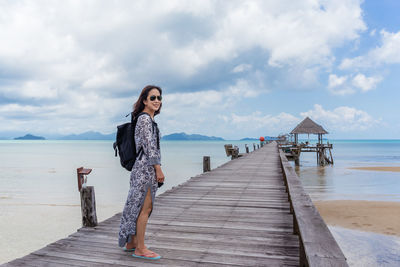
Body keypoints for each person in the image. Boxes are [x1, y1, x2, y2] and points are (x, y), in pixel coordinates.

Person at [118, 85, 165, 260]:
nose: (157, 101)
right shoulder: (145, 120)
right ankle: (141, 248)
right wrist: (158, 168)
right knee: (145, 208)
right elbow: (149, 147)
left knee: (137, 206)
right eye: (152, 98)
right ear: (144, 100)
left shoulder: (145, 119)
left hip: (142, 169)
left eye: (159, 98)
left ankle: (132, 243)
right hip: (146, 170)